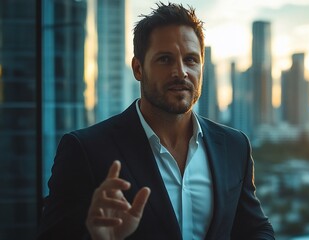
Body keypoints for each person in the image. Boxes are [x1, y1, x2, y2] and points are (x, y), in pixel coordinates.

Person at [37, 2, 274, 240]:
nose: (180, 71)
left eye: (191, 60)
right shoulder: (85, 150)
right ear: (138, 68)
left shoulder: (234, 146)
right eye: (164, 59)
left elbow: (255, 230)